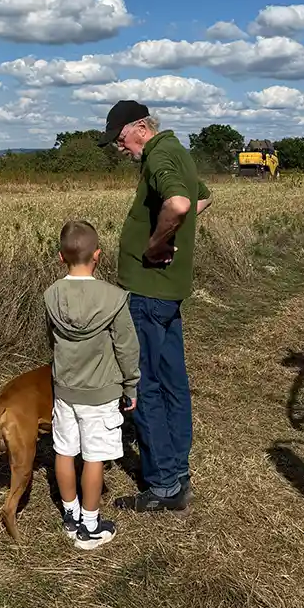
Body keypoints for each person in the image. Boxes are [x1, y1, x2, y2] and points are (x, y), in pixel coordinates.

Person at [97, 100, 212, 513]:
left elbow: (181, 204)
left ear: (139, 127)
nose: (119, 148)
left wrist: (157, 243)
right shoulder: (178, 151)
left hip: (147, 293)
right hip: (166, 292)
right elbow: (202, 199)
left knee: (144, 386)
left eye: (120, 139)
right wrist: (170, 233)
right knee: (172, 383)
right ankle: (177, 473)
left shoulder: (160, 154)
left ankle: (163, 485)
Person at [44, 219, 140, 550]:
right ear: (98, 255)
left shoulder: (51, 295)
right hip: (100, 394)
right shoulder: (113, 298)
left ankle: (69, 517)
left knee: (64, 451)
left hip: (65, 391)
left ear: (61, 258)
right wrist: (131, 386)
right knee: (94, 457)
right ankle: (90, 524)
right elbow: (127, 348)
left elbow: (51, 341)